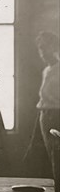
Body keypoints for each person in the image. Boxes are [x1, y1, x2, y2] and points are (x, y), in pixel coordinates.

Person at [34, 32, 60, 178]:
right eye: (40, 48)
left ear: (54, 46)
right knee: (52, 156)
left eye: (45, 47)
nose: (42, 52)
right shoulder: (46, 70)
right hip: (45, 116)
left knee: (58, 157)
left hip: (56, 116)